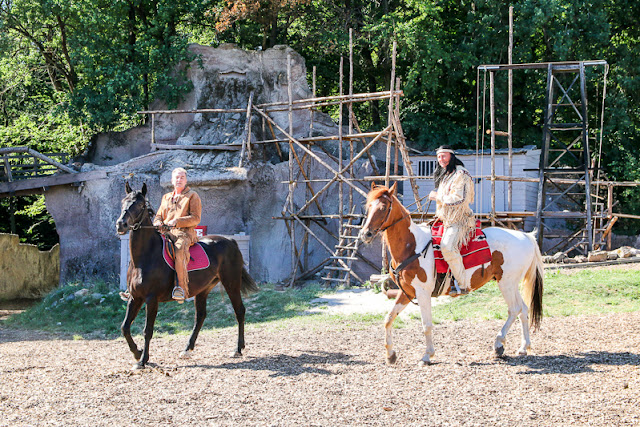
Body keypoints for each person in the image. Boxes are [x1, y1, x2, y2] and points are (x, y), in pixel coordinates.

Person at [428, 145, 475, 295]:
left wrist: (437, 196)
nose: (441, 160)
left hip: (459, 219)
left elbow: (458, 199)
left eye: (444, 156)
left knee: (447, 247)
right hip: (445, 218)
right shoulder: (446, 175)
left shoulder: (461, 173)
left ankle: (463, 284)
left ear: (451, 156)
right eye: (439, 157)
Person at [153, 167, 202, 302]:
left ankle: (181, 288)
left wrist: (177, 221)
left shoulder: (192, 195)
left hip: (184, 234)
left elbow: (196, 218)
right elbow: (158, 216)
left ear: (186, 180)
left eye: (182, 177)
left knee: (179, 250)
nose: (179, 180)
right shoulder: (166, 197)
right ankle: (138, 286)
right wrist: (157, 222)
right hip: (165, 233)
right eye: (176, 177)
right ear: (172, 180)